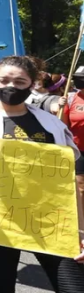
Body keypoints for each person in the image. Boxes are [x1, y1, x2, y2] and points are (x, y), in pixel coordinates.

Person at [0, 55, 84, 293]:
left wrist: (80, 231)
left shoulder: (50, 123)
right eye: (4, 80)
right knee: (1, 288)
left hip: (51, 221)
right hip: (0, 221)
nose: (11, 86)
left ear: (32, 84)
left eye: (20, 81)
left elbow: (72, 177)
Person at [61, 66, 84, 215]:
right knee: (80, 186)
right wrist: (61, 108)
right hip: (79, 149)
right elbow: (64, 126)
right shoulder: (70, 98)